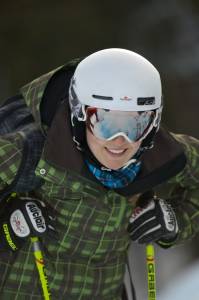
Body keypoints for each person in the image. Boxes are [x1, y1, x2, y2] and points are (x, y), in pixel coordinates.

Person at [0, 48, 198, 300]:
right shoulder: (29, 152)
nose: (120, 141)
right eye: (104, 122)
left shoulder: (155, 153)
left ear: (153, 122)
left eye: (136, 124)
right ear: (80, 115)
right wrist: (8, 225)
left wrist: (177, 220)